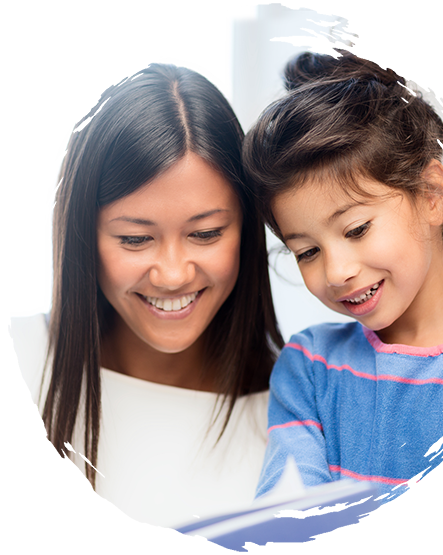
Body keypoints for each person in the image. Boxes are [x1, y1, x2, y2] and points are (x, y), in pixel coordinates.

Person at [8, 63, 284, 528]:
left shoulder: (297, 408)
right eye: (135, 239)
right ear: (83, 235)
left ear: (248, 230)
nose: (173, 275)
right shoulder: (21, 362)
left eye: (206, 233)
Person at [242, 52, 443, 504]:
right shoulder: (312, 369)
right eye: (307, 252)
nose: (338, 271)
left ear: (431, 194)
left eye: (357, 229)